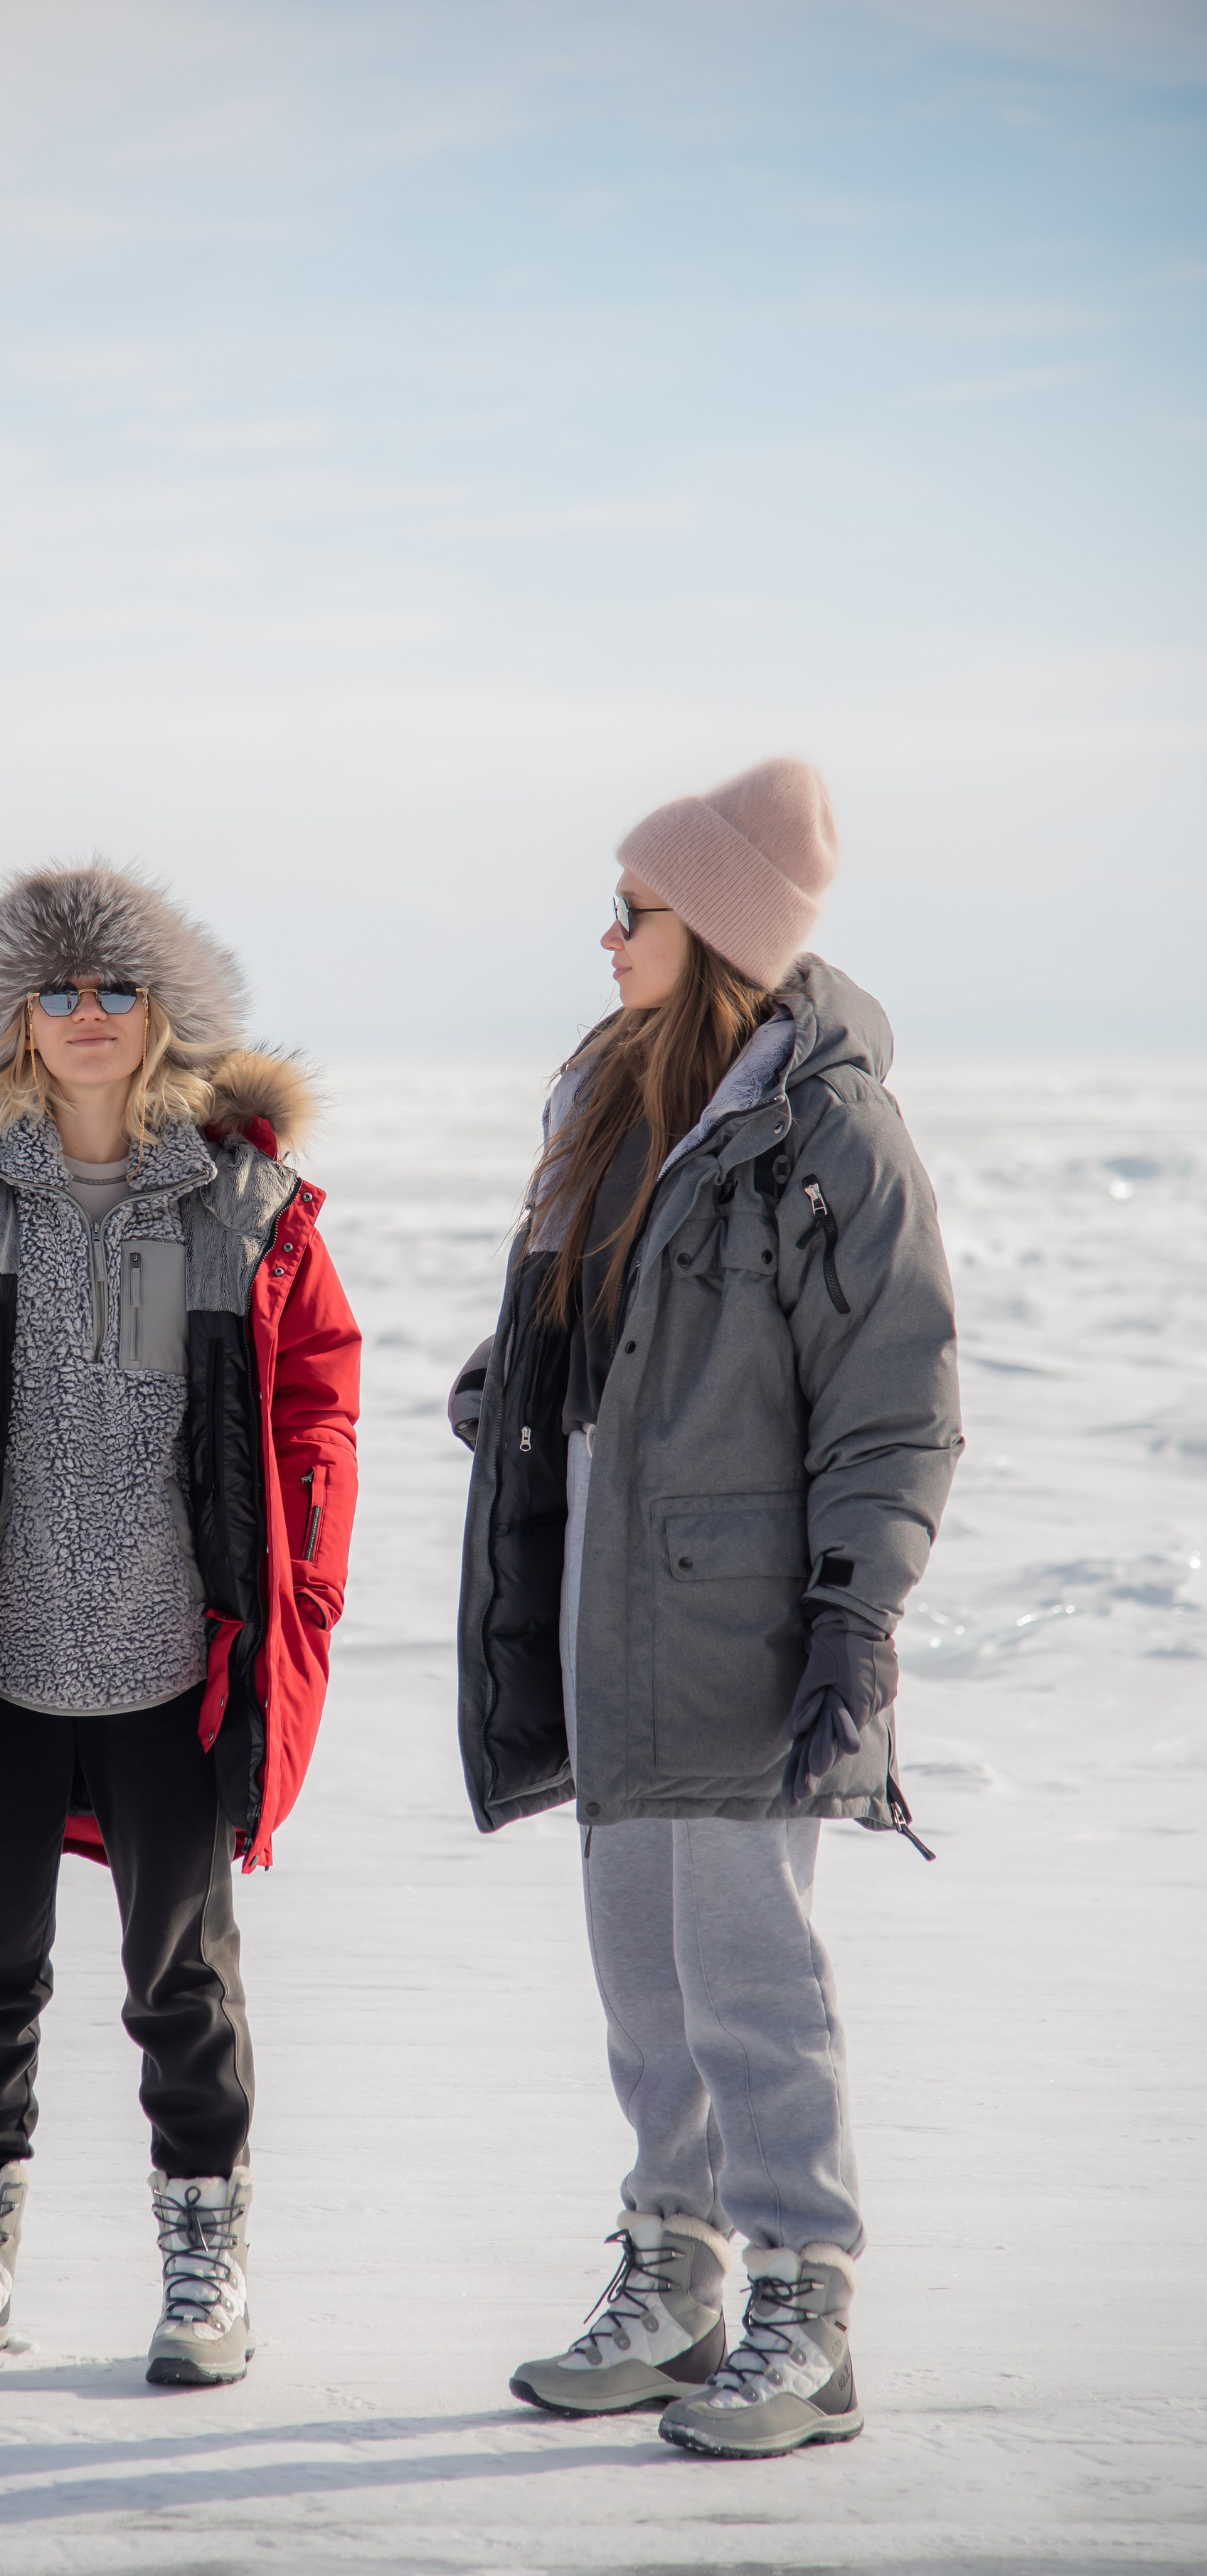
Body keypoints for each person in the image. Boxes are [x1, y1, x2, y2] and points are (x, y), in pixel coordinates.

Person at [452, 758, 960, 2459]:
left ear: (721, 932)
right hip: (606, 1595)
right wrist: (506, 1386)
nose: (603, 937)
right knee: (639, 1974)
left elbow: (892, 1397)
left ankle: (803, 2303)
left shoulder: (827, 1129)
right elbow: (578, 1317)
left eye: (634, 910)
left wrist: (851, 1615)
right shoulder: (601, 1098)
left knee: (746, 1966)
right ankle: (671, 2275)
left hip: (749, 1613)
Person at [0, 863, 360, 2388]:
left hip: (178, 1660)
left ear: (162, 1010)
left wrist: (299, 1577)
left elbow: (316, 1403)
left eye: (115, 988)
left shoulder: (237, 1198)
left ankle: (202, 2258)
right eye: (56, 992)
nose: (88, 1017)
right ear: (13, 1020)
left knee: (180, 1976)